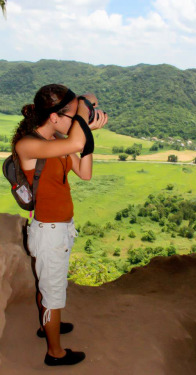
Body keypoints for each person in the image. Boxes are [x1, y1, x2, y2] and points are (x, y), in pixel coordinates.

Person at [12, 84, 108, 366]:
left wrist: (84, 116)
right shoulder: (27, 146)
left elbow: (85, 172)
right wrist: (82, 116)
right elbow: (76, 143)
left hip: (62, 229)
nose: (73, 122)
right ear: (54, 117)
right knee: (53, 295)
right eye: (69, 116)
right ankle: (55, 353)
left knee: (49, 286)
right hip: (48, 233)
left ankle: (47, 325)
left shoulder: (55, 141)